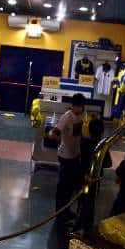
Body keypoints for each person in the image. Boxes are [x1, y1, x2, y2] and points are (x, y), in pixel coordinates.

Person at [47, 93, 85, 221]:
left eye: (81, 106)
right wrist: (57, 137)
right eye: (77, 106)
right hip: (65, 156)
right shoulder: (67, 117)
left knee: (71, 186)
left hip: (75, 154)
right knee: (63, 186)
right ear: (72, 106)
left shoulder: (82, 115)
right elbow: (54, 133)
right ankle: (59, 213)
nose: (79, 109)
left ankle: (66, 209)